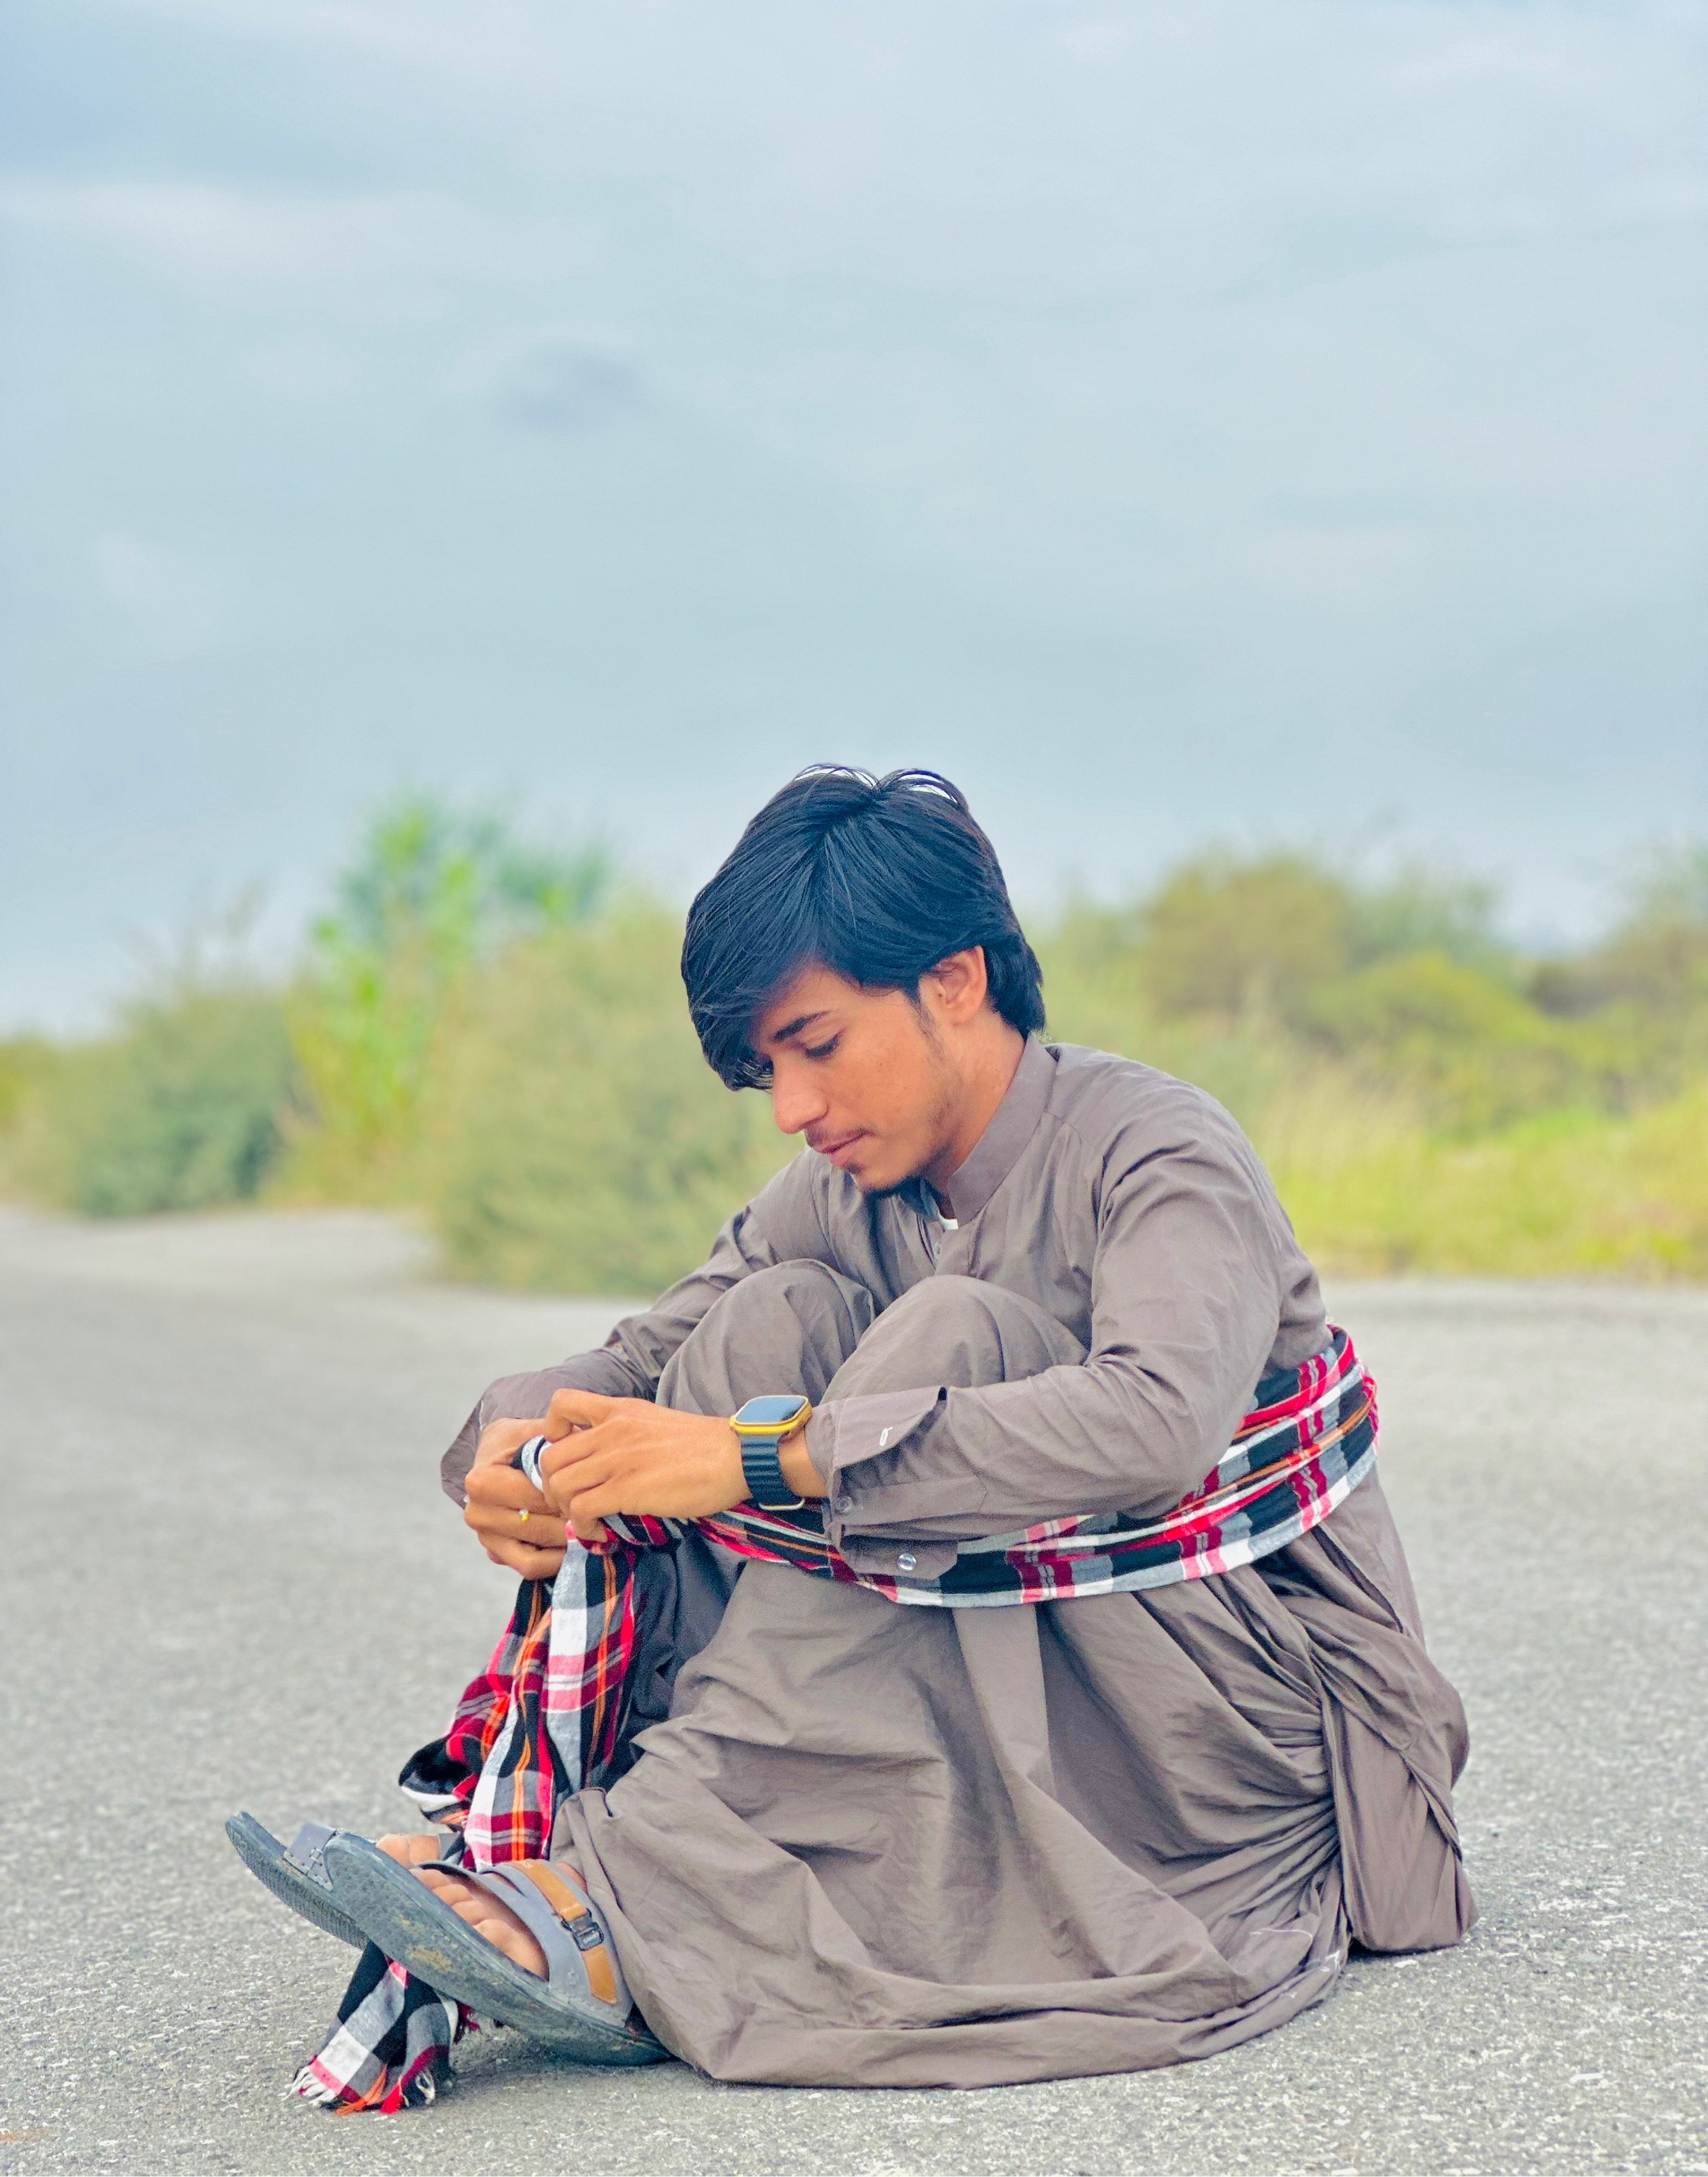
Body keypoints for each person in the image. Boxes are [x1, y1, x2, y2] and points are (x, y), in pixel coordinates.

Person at [232, 765, 1474, 2102]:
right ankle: (670, 1855)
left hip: (1247, 1732)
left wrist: (765, 1460)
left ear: (955, 978)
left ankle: (626, 1884)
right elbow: (645, 1359)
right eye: (769, 1070)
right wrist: (511, 1445)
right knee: (768, 1324)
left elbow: (1155, 1423)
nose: (793, 1107)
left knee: (952, 1336)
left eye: (817, 1046)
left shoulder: (1159, 1152)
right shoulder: (845, 1190)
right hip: (1022, 1679)